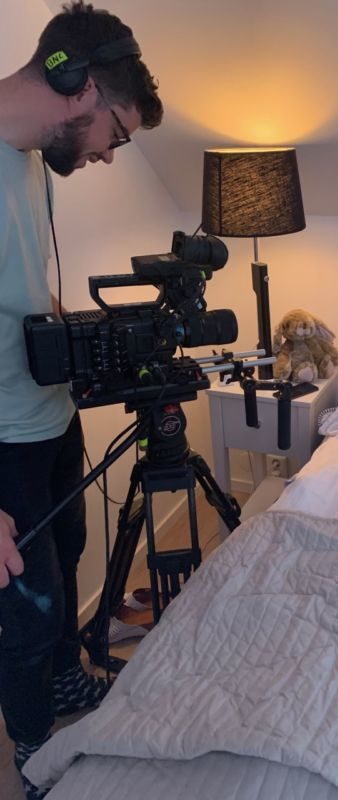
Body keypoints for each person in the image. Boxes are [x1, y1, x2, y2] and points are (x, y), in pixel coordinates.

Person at [0, 3, 162, 797]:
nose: (106, 154)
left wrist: (84, 339)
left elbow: (24, 289)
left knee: (65, 563)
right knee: (26, 610)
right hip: (3, 441)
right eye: (116, 134)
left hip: (49, 415)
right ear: (80, 86)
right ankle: (33, 753)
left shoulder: (32, 161)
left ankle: (67, 682)